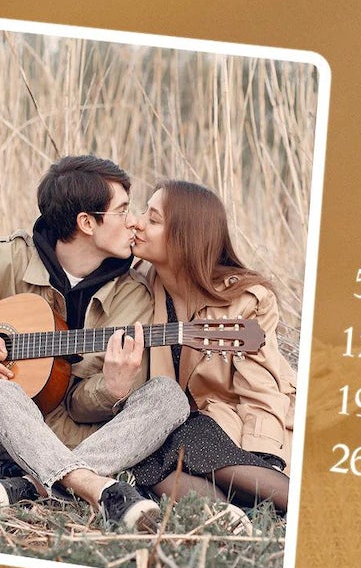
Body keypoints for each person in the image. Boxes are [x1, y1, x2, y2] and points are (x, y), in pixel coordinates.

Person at [0, 155, 189, 533]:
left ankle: (31, 485)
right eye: (122, 211)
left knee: (169, 396)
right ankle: (96, 488)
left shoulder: (133, 297)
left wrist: (112, 390)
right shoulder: (10, 257)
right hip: (4, 426)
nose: (133, 221)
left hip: (77, 436)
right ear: (86, 223)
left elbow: (79, 404)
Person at [124, 181, 295, 524]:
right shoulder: (140, 288)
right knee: (147, 453)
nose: (136, 223)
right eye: (143, 213)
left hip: (237, 425)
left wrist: (264, 459)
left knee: (183, 437)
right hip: (178, 427)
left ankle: (295, 501)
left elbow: (261, 391)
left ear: (185, 237)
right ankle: (227, 517)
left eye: (153, 219)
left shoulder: (248, 299)